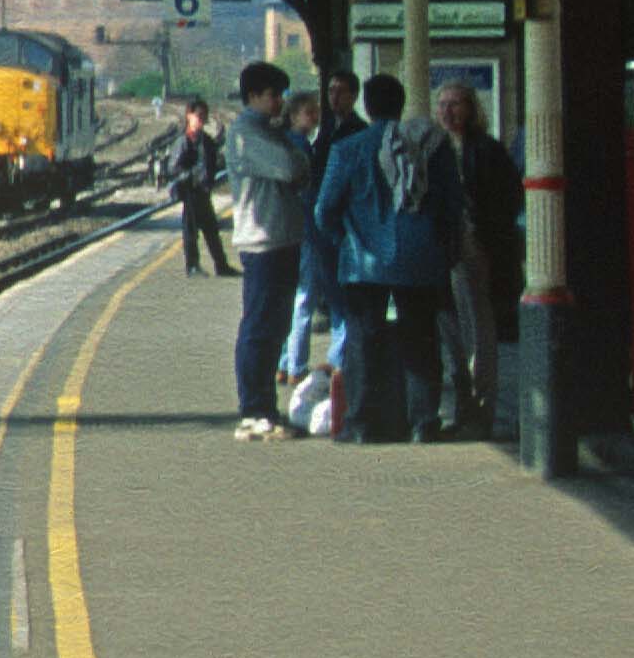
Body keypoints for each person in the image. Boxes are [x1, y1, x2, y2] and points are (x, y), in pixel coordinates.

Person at [308, 72, 465, 443]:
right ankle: (423, 422)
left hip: (363, 263)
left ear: (367, 105)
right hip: (421, 260)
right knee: (422, 338)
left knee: (363, 339)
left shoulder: (348, 149)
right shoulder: (433, 145)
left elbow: (323, 210)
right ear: (402, 103)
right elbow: (452, 204)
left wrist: (345, 240)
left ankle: (362, 424)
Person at [218, 62, 310, 438]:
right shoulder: (246, 133)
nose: (279, 102)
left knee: (275, 328)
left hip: (282, 238)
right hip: (263, 241)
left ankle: (265, 407)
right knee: (259, 327)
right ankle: (253, 409)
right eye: (274, 95)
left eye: (282, 95)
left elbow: (304, 165)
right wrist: (295, 150)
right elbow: (293, 167)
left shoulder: (269, 131)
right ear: (253, 96)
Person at [433, 79, 522, 438]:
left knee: (477, 331)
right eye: (442, 104)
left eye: (455, 104)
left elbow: (504, 200)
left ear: (470, 108)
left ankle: (481, 409)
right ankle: (461, 407)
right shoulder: (436, 149)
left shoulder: (486, 150)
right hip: (442, 251)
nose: (448, 111)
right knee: (451, 334)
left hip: (474, 248)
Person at [168, 99, 231, 274]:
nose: (202, 119)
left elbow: (215, 163)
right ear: (189, 116)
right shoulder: (183, 141)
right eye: (198, 115)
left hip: (203, 191)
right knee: (191, 231)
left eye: (204, 115)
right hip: (190, 192)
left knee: (212, 230)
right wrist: (189, 175)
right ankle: (193, 266)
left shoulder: (207, 141)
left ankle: (221, 265)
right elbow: (172, 168)